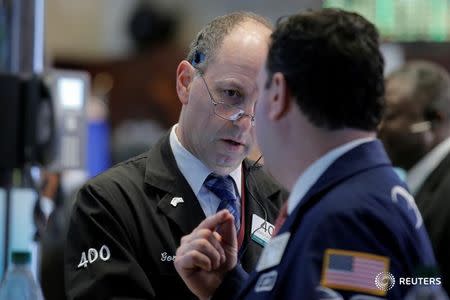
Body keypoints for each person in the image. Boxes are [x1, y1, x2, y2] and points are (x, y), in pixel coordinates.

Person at [174, 8, 441, 300]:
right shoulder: (364, 194)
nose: (248, 118)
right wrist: (229, 288)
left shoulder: (346, 218)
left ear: (278, 94)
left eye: (259, 94)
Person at [63, 11, 286, 300]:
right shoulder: (108, 203)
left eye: (264, 105)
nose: (246, 121)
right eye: (231, 94)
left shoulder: (283, 200)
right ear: (185, 83)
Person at [378, 60, 450, 294]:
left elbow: (431, 279)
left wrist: (348, 270)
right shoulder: (418, 183)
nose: (378, 127)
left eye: (389, 115)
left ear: (434, 119)